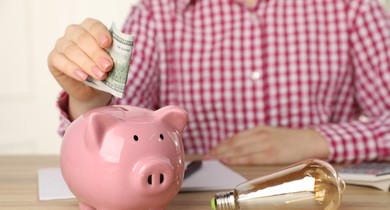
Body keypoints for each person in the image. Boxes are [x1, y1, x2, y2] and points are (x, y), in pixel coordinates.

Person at [48, 0, 390, 165]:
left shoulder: (354, 8)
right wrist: (90, 101)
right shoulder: (156, 13)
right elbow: (115, 137)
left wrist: (320, 141)